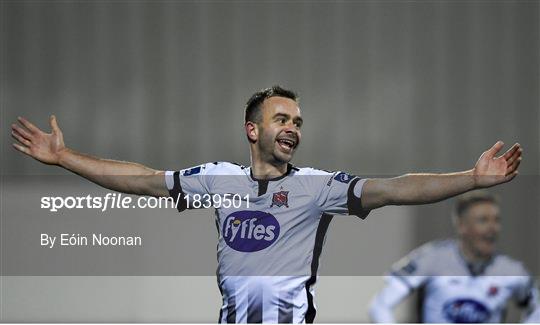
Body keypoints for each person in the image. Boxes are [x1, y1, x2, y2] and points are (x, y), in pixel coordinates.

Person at [11, 85, 523, 323]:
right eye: (283, 119)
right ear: (253, 130)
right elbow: (142, 180)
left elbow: (394, 187)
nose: (293, 129)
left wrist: (469, 178)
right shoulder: (217, 180)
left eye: (298, 122)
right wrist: (64, 159)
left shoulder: (318, 187)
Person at [368, 191, 540, 323]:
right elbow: (380, 305)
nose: (492, 228)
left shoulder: (511, 270)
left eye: (496, 220)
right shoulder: (432, 258)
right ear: (461, 225)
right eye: (483, 220)